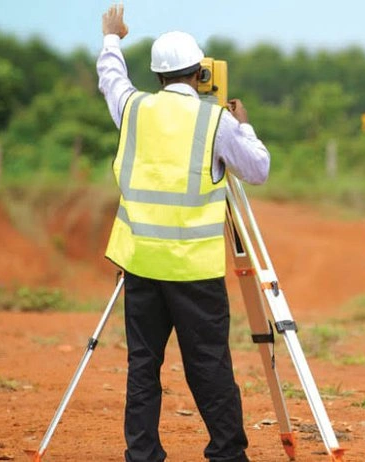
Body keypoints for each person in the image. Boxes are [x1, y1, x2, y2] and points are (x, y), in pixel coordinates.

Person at [97, 5, 270, 462]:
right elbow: (258, 170)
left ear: (157, 75)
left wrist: (112, 37)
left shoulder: (133, 110)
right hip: (194, 270)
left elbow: (111, 80)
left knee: (143, 367)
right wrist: (245, 124)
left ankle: (143, 454)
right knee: (209, 364)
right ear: (201, 72)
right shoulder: (216, 120)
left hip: (141, 264)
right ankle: (227, 454)